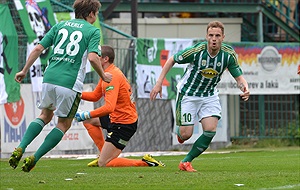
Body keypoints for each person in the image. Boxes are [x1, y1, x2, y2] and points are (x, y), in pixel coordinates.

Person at [9, 0, 112, 172]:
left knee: (44, 115)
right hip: (69, 82)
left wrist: (24, 70)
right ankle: (34, 158)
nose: (96, 17)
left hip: (49, 78)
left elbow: (37, 49)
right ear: (90, 14)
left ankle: (21, 147)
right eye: (96, 13)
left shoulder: (60, 25)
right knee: (63, 124)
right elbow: (94, 58)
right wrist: (103, 75)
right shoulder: (92, 31)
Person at [150, 21, 250, 172]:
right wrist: (159, 83)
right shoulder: (196, 51)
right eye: (211, 35)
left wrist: (245, 88)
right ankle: (181, 133)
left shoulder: (228, 55)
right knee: (186, 134)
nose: (214, 39)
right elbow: (171, 60)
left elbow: (238, 76)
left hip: (209, 95)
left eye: (217, 35)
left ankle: (186, 161)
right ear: (206, 36)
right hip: (188, 95)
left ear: (223, 37)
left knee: (210, 130)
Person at [75, 45, 165, 168]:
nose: (92, 57)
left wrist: (86, 113)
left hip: (124, 124)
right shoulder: (106, 73)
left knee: (104, 163)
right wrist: (76, 94)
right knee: (89, 121)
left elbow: (109, 107)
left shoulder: (112, 76)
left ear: (105, 59)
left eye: (96, 55)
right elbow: (95, 96)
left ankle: (145, 163)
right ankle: (103, 153)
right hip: (116, 118)